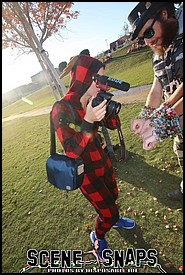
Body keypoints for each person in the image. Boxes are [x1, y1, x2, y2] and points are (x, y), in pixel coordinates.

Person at [51, 54, 135, 260]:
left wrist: (108, 109)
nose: (103, 83)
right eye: (100, 79)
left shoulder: (93, 99)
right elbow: (71, 150)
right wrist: (88, 119)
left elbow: (113, 126)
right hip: (85, 172)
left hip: (102, 162)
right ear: (85, 78)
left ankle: (112, 220)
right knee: (108, 213)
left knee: (112, 198)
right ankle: (98, 238)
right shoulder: (61, 108)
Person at [128, 2, 183, 201]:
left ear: (164, 14)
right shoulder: (158, 53)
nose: (148, 41)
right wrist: (145, 116)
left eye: (149, 32)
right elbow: (156, 89)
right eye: (143, 38)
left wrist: (164, 120)